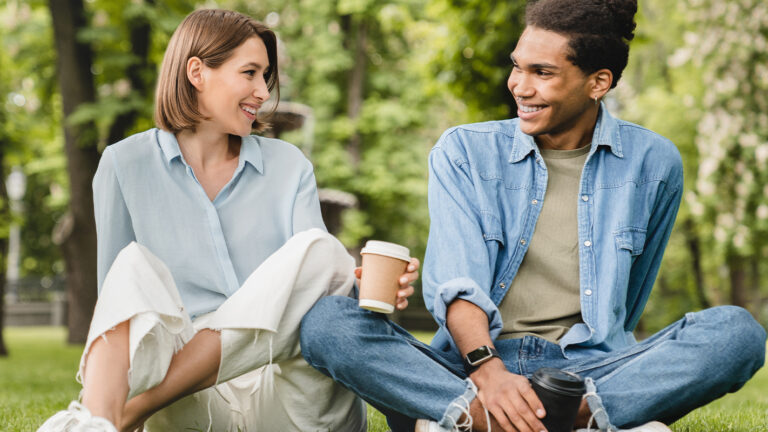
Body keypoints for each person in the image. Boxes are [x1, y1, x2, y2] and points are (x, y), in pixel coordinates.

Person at [299, 1, 767, 431]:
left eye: (542, 72)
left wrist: (590, 383)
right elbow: (456, 282)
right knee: (328, 323)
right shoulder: (464, 151)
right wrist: (489, 372)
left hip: (589, 372)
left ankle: (492, 419)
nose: (520, 87)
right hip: (469, 364)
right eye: (517, 67)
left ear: (598, 82)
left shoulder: (654, 162)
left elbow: (631, 294)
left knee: (735, 334)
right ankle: (511, 413)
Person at [37, 9, 419, 432]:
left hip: (284, 395)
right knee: (129, 267)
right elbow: (118, 308)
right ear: (197, 72)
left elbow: (318, 291)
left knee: (322, 250)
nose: (262, 91)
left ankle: (126, 415)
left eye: (266, 76)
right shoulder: (124, 164)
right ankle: (96, 422)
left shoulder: (289, 165)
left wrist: (366, 288)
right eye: (250, 73)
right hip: (191, 408)